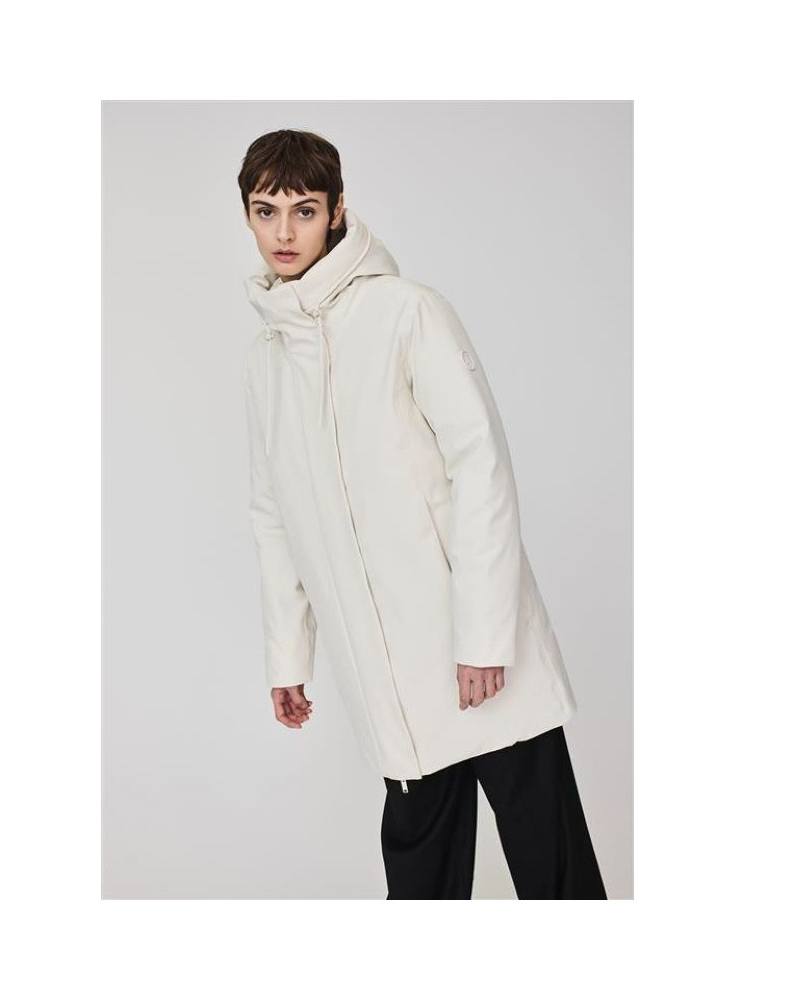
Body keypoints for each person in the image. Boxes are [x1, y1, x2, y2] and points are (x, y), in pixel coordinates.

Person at [238, 129, 607, 899]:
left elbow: (482, 469)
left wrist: (484, 637)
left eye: (304, 210)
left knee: (553, 872)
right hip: (387, 674)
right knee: (421, 881)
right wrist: (289, 659)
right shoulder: (268, 360)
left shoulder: (408, 313)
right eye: (266, 211)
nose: (284, 231)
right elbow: (273, 514)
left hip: (478, 652)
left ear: (338, 210)